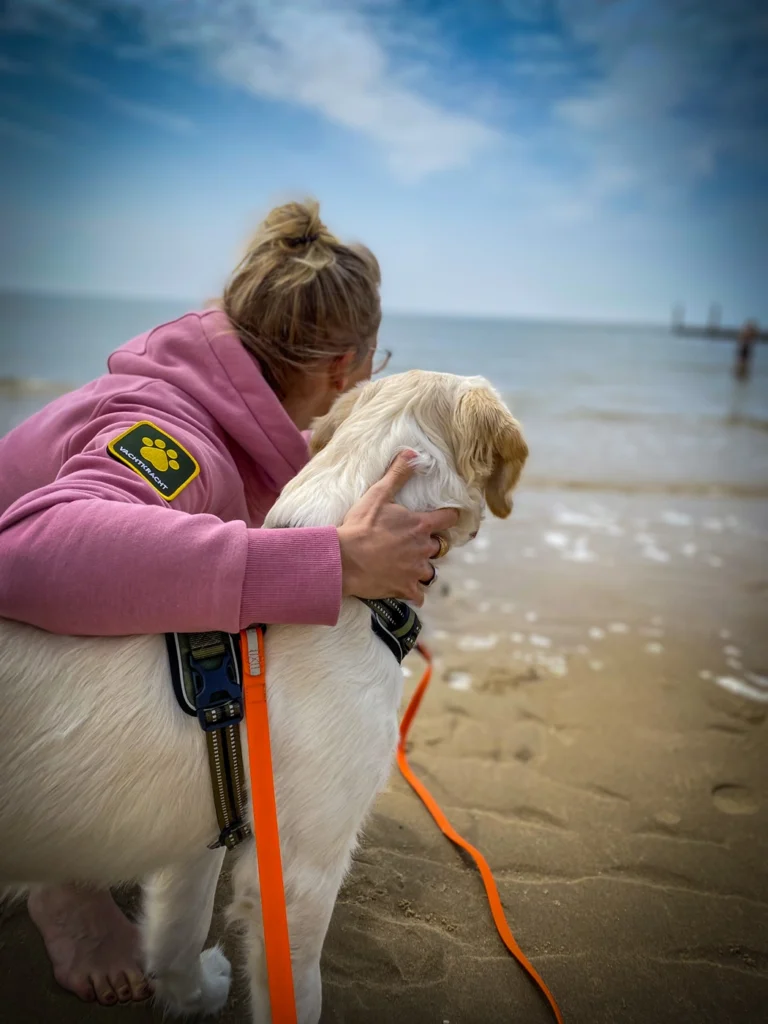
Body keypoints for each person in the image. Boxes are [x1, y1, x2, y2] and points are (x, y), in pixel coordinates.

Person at [0, 199, 458, 1006]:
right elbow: (30, 554)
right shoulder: (179, 436)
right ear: (346, 368)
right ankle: (64, 890)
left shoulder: (225, 401)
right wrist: (330, 564)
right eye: (376, 364)